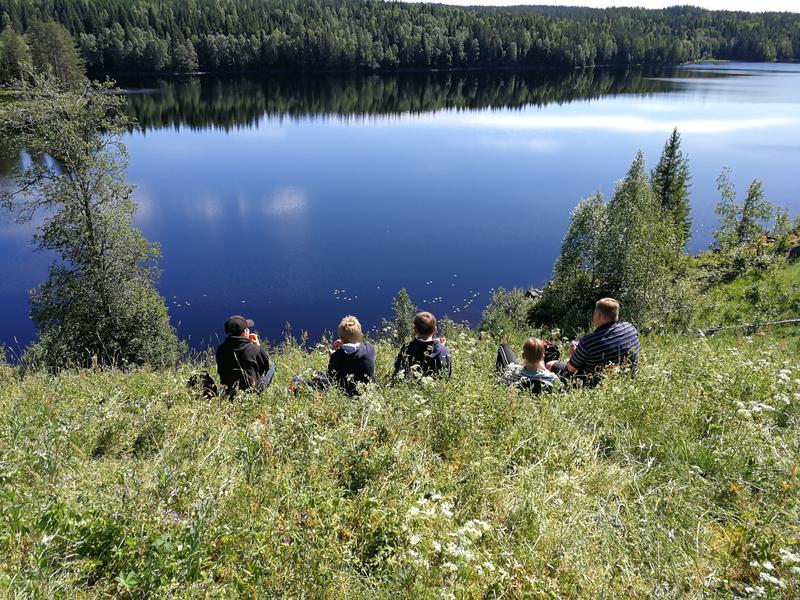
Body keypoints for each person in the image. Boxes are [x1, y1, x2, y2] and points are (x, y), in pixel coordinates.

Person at [547, 297, 640, 385]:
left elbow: (571, 369)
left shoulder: (588, 341)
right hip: (628, 377)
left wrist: (573, 354)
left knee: (550, 364)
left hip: (595, 382)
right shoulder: (630, 328)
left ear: (599, 316)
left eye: (594, 313)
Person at [215, 315, 275, 396]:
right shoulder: (254, 349)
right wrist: (258, 346)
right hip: (252, 392)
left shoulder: (221, 350)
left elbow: (220, 371)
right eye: (247, 329)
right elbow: (266, 365)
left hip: (229, 393)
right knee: (272, 366)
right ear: (245, 332)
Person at [393, 311, 452, 380]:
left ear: (415, 330)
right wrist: (441, 347)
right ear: (435, 330)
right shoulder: (444, 351)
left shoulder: (407, 347)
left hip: (409, 384)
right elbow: (447, 375)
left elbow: (398, 367)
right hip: (434, 385)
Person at [327, 315, 376, 396]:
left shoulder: (337, 356)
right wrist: (344, 342)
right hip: (369, 391)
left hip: (347, 394)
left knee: (318, 375)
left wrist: (332, 356)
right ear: (361, 335)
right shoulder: (370, 349)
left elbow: (331, 377)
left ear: (341, 338)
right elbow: (358, 349)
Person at [496, 338, 560, 393]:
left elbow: (501, 383)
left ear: (523, 355)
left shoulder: (512, 372)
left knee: (503, 346)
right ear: (542, 357)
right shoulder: (551, 378)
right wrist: (545, 370)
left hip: (519, 371)